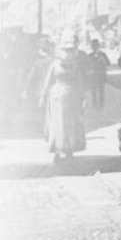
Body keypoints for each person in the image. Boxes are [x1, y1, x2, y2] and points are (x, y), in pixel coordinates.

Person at [39, 31, 86, 163]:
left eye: (71, 50)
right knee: (58, 124)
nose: (68, 53)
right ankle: (58, 150)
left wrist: (83, 98)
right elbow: (47, 81)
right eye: (66, 50)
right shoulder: (55, 65)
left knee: (71, 124)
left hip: (72, 96)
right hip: (57, 98)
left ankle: (70, 149)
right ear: (61, 50)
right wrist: (42, 96)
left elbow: (80, 82)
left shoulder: (76, 65)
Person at [87, 39, 110, 109]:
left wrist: (102, 60)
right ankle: (94, 105)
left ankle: (101, 105)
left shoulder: (103, 54)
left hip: (101, 75)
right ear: (91, 47)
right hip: (93, 76)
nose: (95, 47)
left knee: (101, 91)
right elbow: (87, 65)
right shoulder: (90, 55)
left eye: (96, 46)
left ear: (99, 46)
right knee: (93, 91)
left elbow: (108, 63)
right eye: (93, 46)